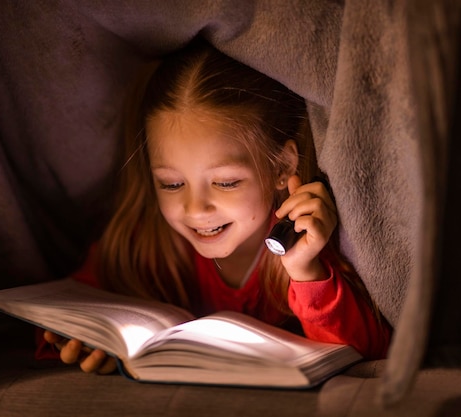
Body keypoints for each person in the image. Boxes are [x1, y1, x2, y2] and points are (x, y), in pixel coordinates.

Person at [37, 40, 392, 374]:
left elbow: (364, 354)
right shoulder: (143, 242)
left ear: (282, 167)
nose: (195, 208)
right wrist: (82, 341)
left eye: (225, 182)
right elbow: (67, 310)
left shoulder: (301, 245)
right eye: (172, 184)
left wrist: (306, 273)